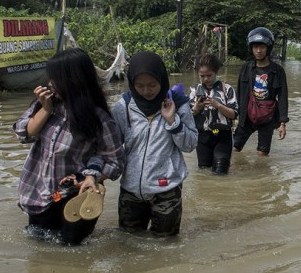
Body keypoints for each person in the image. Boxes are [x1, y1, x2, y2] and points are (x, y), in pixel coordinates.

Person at [13, 48, 125, 245]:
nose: (50, 84)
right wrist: (45, 109)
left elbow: (115, 161)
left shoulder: (98, 118)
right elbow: (24, 133)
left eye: (55, 79)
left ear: (73, 80)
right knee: (40, 253)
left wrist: (92, 177)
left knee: (72, 251)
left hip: (72, 196)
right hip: (39, 196)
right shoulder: (46, 105)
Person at [112, 51, 197, 236]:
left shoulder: (179, 104)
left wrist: (173, 122)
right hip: (131, 190)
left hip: (166, 190)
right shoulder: (122, 107)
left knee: (166, 246)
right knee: (128, 242)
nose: (146, 90)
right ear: (132, 83)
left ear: (162, 79)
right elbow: (112, 148)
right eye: (140, 85)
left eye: (152, 85)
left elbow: (190, 144)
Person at [233, 27, 289, 156]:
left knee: (262, 155)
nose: (258, 51)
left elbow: (282, 97)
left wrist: (282, 123)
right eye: (255, 47)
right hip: (246, 117)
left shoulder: (278, 71)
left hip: (267, 118)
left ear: (268, 48)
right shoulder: (246, 68)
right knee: (234, 149)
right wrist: (234, 116)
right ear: (251, 48)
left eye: (262, 47)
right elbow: (239, 93)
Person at [190, 53, 239, 174]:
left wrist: (217, 105)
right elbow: (188, 116)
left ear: (216, 72)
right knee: (203, 172)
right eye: (202, 76)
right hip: (202, 136)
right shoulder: (194, 89)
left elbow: (234, 114)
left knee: (221, 172)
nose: (206, 79)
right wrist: (197, 108)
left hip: (223, 136)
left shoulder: (226, 88)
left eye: (209, 75)